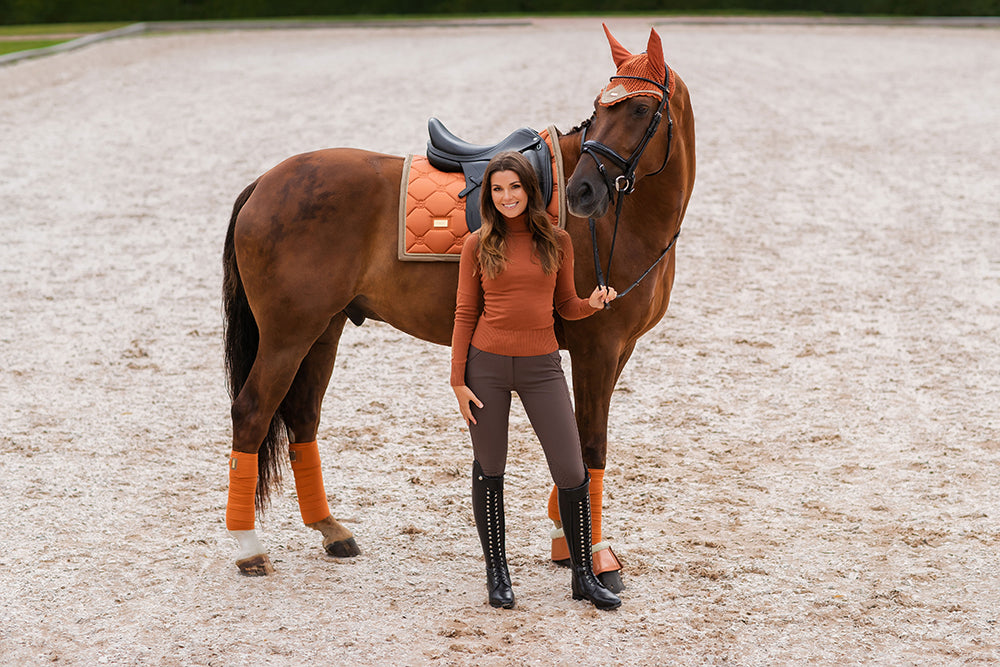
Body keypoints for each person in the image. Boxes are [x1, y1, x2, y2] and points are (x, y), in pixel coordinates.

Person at [450, 150, 621, 611]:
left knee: (571, 469)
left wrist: (592, 303)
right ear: (489, 194)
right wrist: (457, 381)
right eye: (498, 189)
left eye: (515, 187)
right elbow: (466, 313)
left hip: (542, 366)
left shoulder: (558, 242)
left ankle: (583, 575)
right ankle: (498, 573)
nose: (507, 197)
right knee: (491, 468)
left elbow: (565, 305)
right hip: (485, 367)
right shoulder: (477, 244)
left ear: (530, 190)